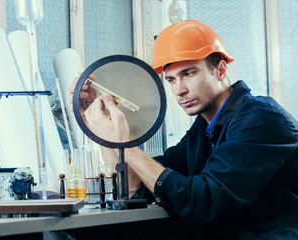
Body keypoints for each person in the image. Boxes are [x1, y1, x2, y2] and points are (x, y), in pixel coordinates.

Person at [67, 20, 298, 239]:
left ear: (220, 69)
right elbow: (143, 185)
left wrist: (127, 147)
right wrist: (98, 125)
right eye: (171, 80)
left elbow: (201, 202)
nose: (179, 90)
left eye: (188, 73)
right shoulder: (203, 130)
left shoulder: (262, 119)